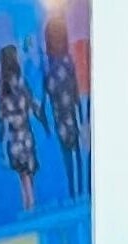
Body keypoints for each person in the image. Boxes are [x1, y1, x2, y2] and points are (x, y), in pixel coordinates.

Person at [0, 43, 39, 215]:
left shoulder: (2, 91)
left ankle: (27, 207)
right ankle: (31, 208)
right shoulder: (22, 85)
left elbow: (0, 121)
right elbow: (33, 105)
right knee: (30, 175)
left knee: (23, 177)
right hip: (26, 137)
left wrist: (1, 147)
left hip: (14, 141)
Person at [46, 38, 86, 199]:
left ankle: (71, 192)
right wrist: (82, 116)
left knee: (67, 156)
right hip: (71, 115)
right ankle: (82, 189)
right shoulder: (69, 66)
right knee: (77, 153)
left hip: (59, 118)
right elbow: (76, 93)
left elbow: (48, 94)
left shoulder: (50, 71)